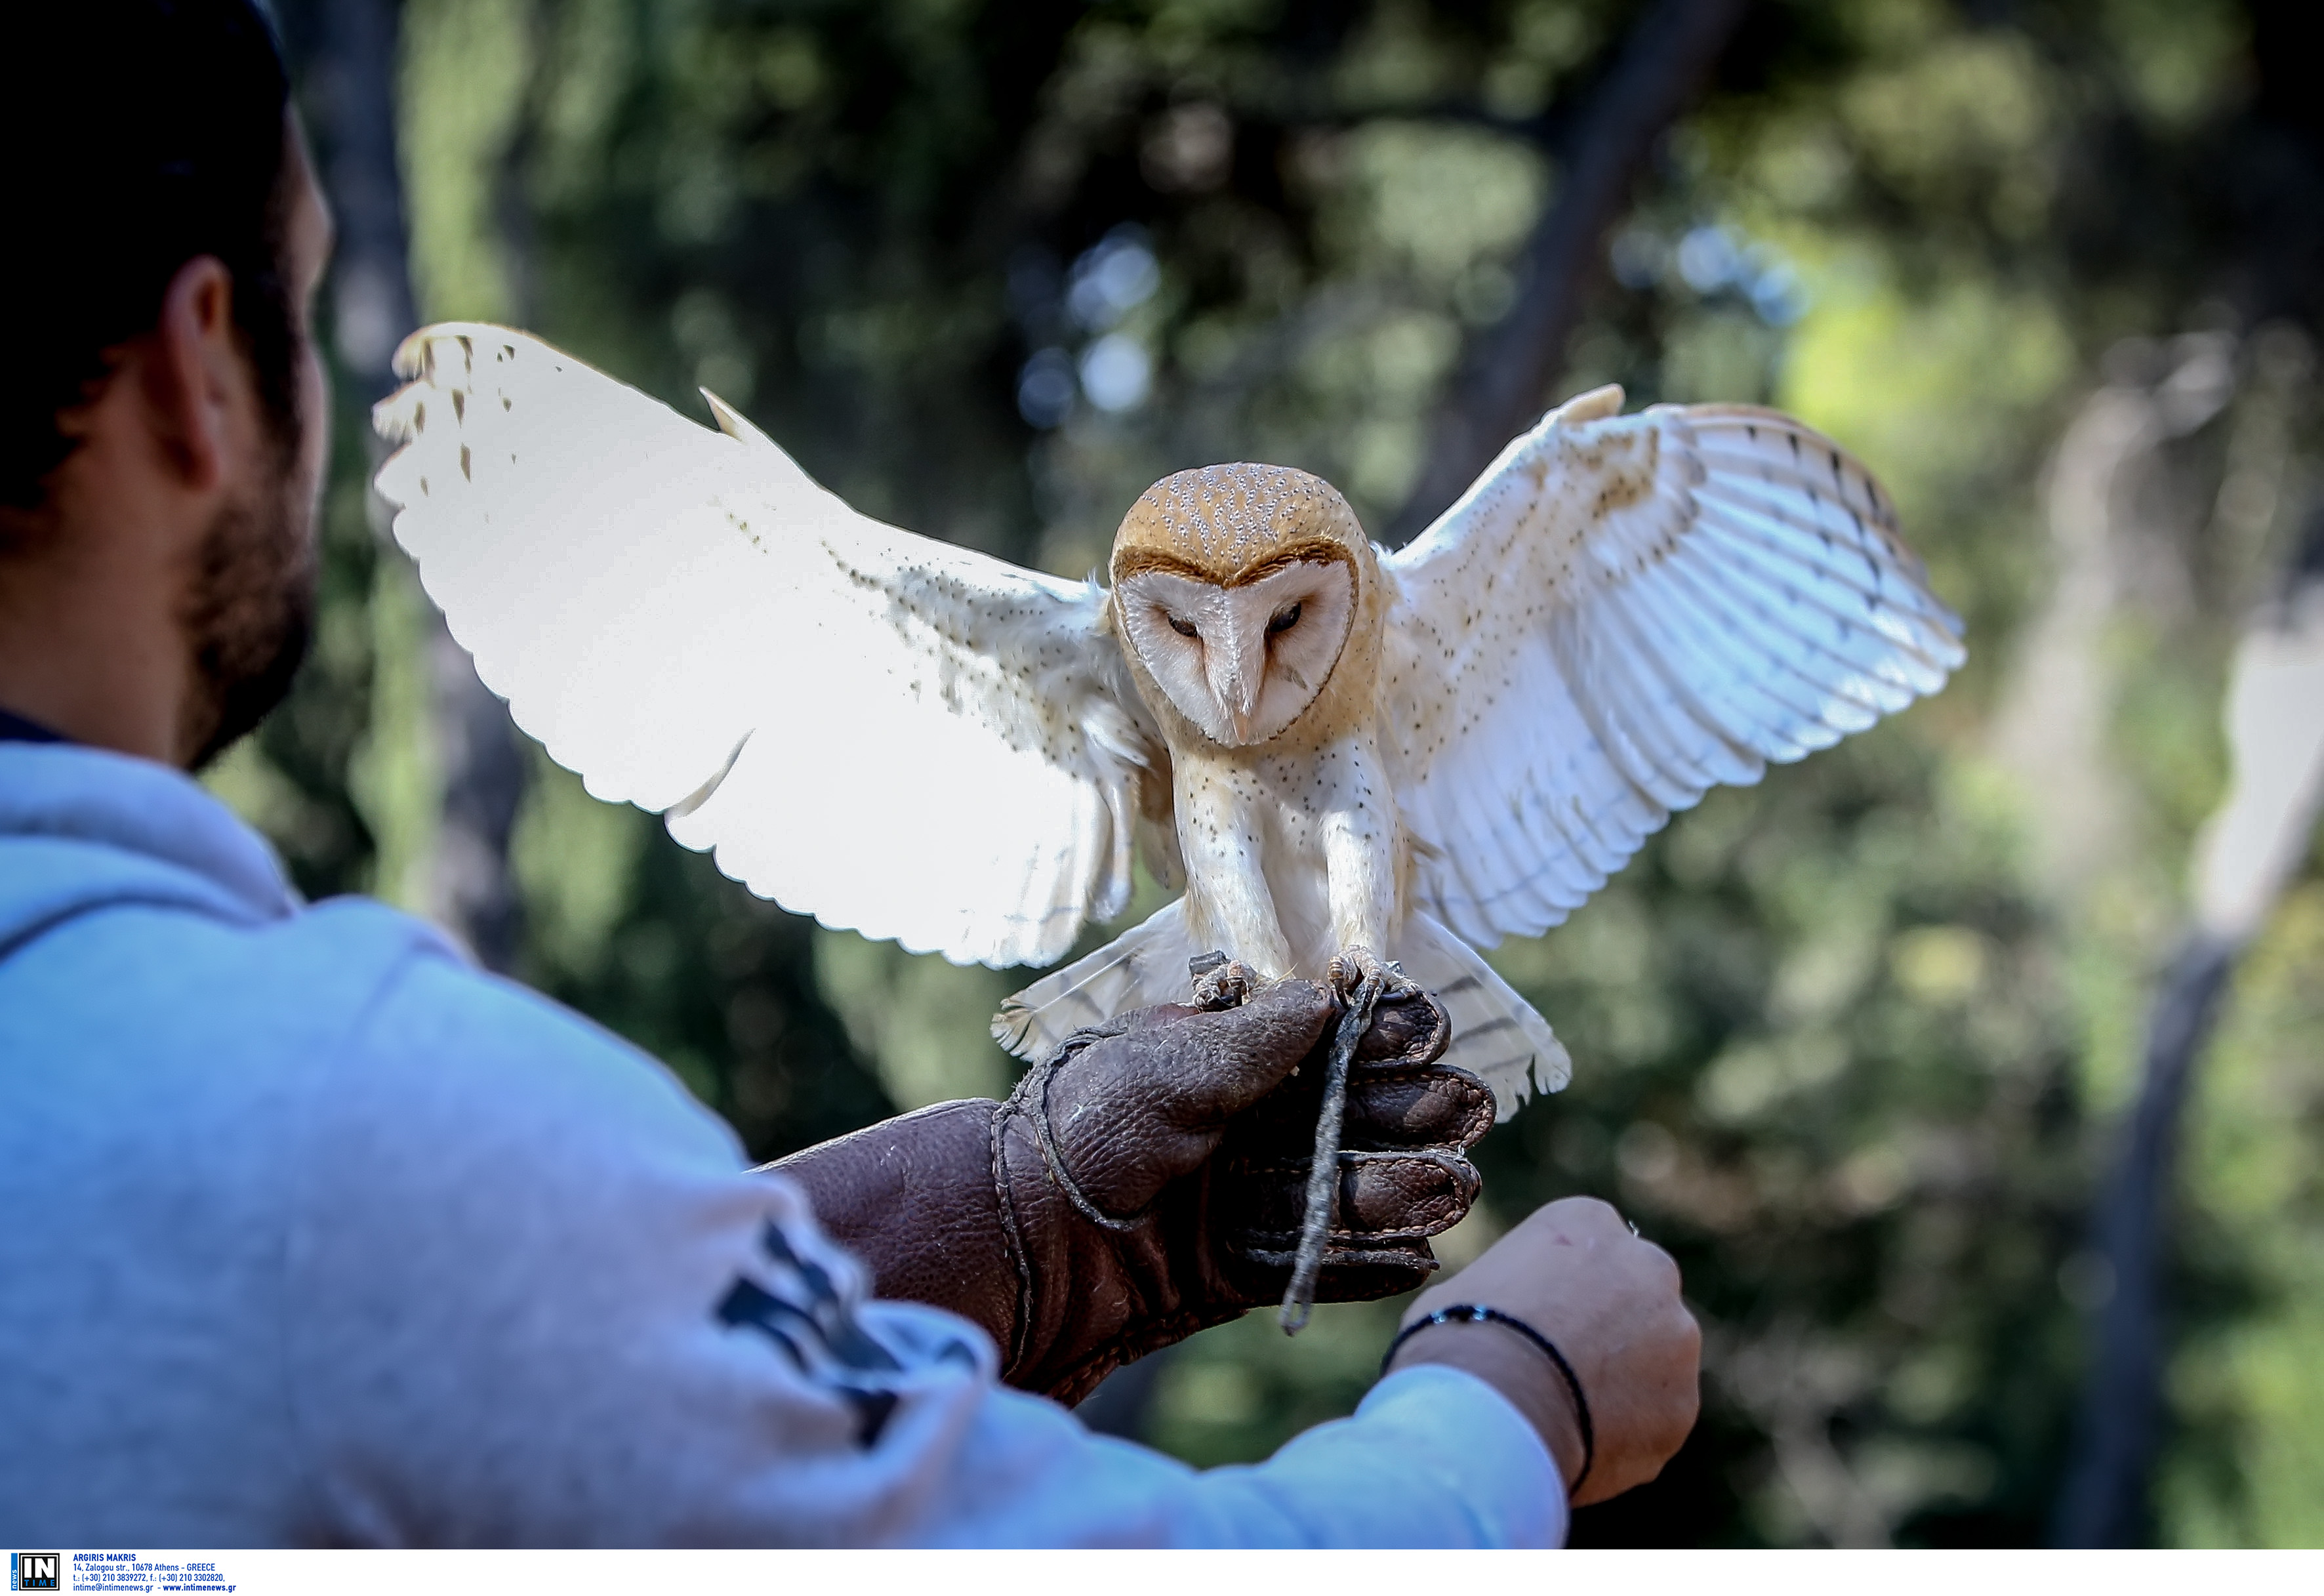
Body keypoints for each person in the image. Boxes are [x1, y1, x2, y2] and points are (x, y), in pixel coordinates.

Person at [0, 0, 1699, 1549]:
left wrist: (1037, 1231)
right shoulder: (340, 1132)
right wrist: (1513, 1389)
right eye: (306, 307)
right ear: (195, 364)